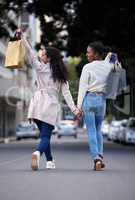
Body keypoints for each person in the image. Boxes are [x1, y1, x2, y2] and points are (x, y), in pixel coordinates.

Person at [16, 29, 81, 171]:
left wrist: (23, 37)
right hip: (50, 105)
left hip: (37, 104)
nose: (41, 55)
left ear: (49, 58)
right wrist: (75, 110)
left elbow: (30, 52)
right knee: (46, 136)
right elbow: (67, 94)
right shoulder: (61, 75)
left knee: (44, 136)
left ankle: (50, 161)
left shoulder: (40, 67)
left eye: (44, 54)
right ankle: (37, 153)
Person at [77, 41, 117, 171]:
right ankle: (100, 155)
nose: (87, 54)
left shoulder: (87, 67)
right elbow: (114, 67)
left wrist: (78, 107)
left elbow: (82, 88)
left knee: (91, 130)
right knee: (98, 129)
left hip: (90, 100)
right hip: (102, 101)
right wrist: (110, 56)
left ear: (96, 54)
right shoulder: (109, 65)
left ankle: (96, 158)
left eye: (89, 52)